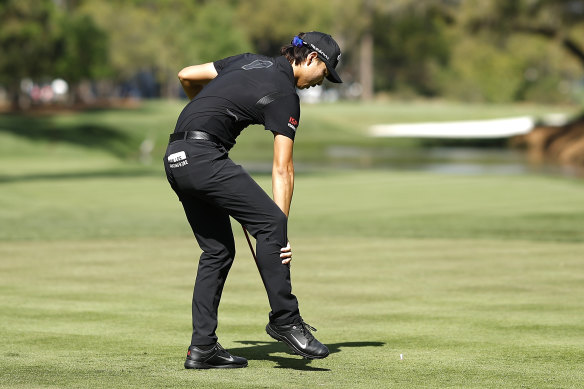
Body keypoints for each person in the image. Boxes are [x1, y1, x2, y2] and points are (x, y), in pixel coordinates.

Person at [163, 31, 342, 369]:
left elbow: (186, 74)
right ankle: (286, 320)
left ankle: (202, 348)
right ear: (312, 59)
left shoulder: (247, 61)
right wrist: (280, 235)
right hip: (203, 157)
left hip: (175, 156)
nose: (323, 81)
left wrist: (203, 112)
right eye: (326, 73)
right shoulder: (285, 95)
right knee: (271, 221)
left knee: (217, 251)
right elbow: (282, 169)